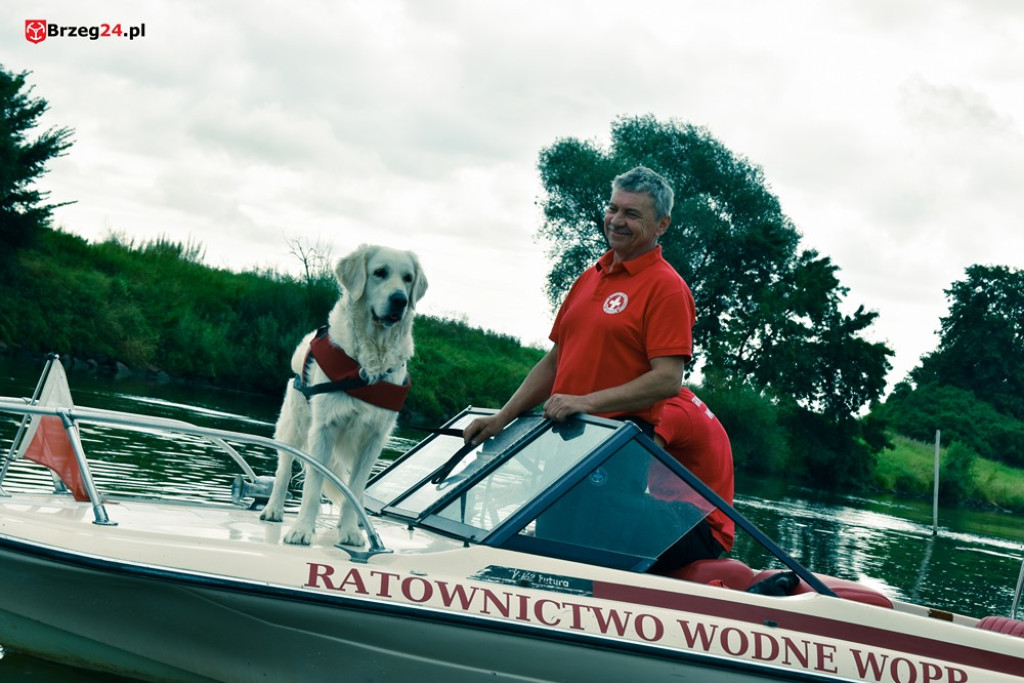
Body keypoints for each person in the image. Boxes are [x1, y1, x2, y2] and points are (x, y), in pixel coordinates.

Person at [464, 166, 695, 445]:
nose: (616, 221)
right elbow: (554, 362)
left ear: (662, 225)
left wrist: (585, 402)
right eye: (613, 209)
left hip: (616, 442)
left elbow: (668, 379)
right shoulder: (590, 276)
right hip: (561, 435)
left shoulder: (667, 288)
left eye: (632, 214)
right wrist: (502, 418)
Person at [646, 387, 735, 575]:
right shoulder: (678, 401)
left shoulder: (671, 411)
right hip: (693, 522)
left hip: (701, 528)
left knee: (613, 507)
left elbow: (629, 464)